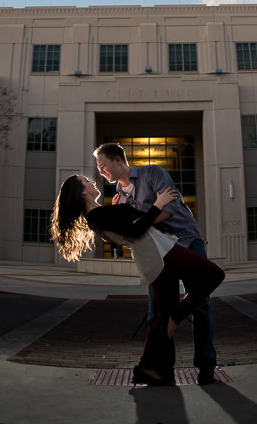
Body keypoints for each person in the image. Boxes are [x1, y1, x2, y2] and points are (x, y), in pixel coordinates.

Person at [51, 173, 225, 386]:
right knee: (214, 274)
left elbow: (128, 234)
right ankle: (177, 317)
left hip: (152, 258)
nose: (93, 181)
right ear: (82, 192)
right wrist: (159, 204)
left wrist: (116, 209)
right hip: (162, 252)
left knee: (162, 315)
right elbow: (136, 229)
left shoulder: (99, 214)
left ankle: (147, 367)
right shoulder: (97, 215)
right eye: (87, 181)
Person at [93, 142, 218, 385]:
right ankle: (163, 370)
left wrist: (138, 222)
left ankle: (206, 367)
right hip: (158, 254)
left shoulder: (153, 173)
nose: (101, 172)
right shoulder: (118, 197)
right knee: (158, 314)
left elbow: (168, 208)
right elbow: (129, 234)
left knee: (200, 306)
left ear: (118, 160)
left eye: (103, 166)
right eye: (99, 169)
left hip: (186, 242)